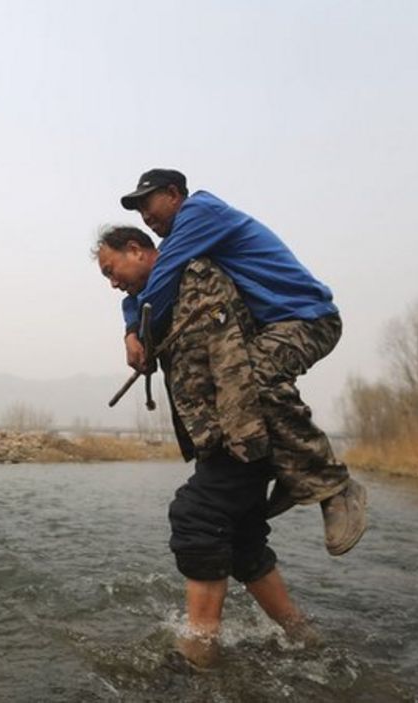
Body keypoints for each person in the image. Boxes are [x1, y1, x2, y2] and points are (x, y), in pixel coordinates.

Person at [94, 228, 318, 669]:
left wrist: (243, 434)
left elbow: (231, 352)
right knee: (244, 541)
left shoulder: (196, 274)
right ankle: (304, 637)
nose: (112, 281)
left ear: (137, 250)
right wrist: (132, 335)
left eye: (111, 269)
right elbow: (137, 309)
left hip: (240, 430)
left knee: (197, 517)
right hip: (225, 435)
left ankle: (200, 655)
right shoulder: (158, 298)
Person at [115, 169, 366, 556]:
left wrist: (143, 337)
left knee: (252, 378)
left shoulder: (201, 213)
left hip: (307, 317)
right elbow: (141, 291)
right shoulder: (187, 237)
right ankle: (292, 474)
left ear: (173, 194)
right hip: (277, 326)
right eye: (139, 211)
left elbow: (160, 278)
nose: (145, 216)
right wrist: (131, 329)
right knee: (241, 387)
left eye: (147, 203)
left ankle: (335, 487)